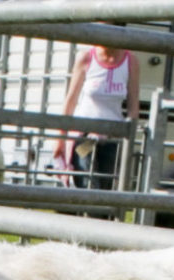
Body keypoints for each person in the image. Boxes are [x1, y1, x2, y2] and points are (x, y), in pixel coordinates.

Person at [54, 42, 140, 189]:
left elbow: (133, 104)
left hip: (112, 137)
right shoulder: (86, 58)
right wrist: (60, 140)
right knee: (86, 180)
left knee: (107, 185)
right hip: (85, 137)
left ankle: (99, 212)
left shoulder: (130, 61)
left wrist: (129, 141)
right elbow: (71, 100)